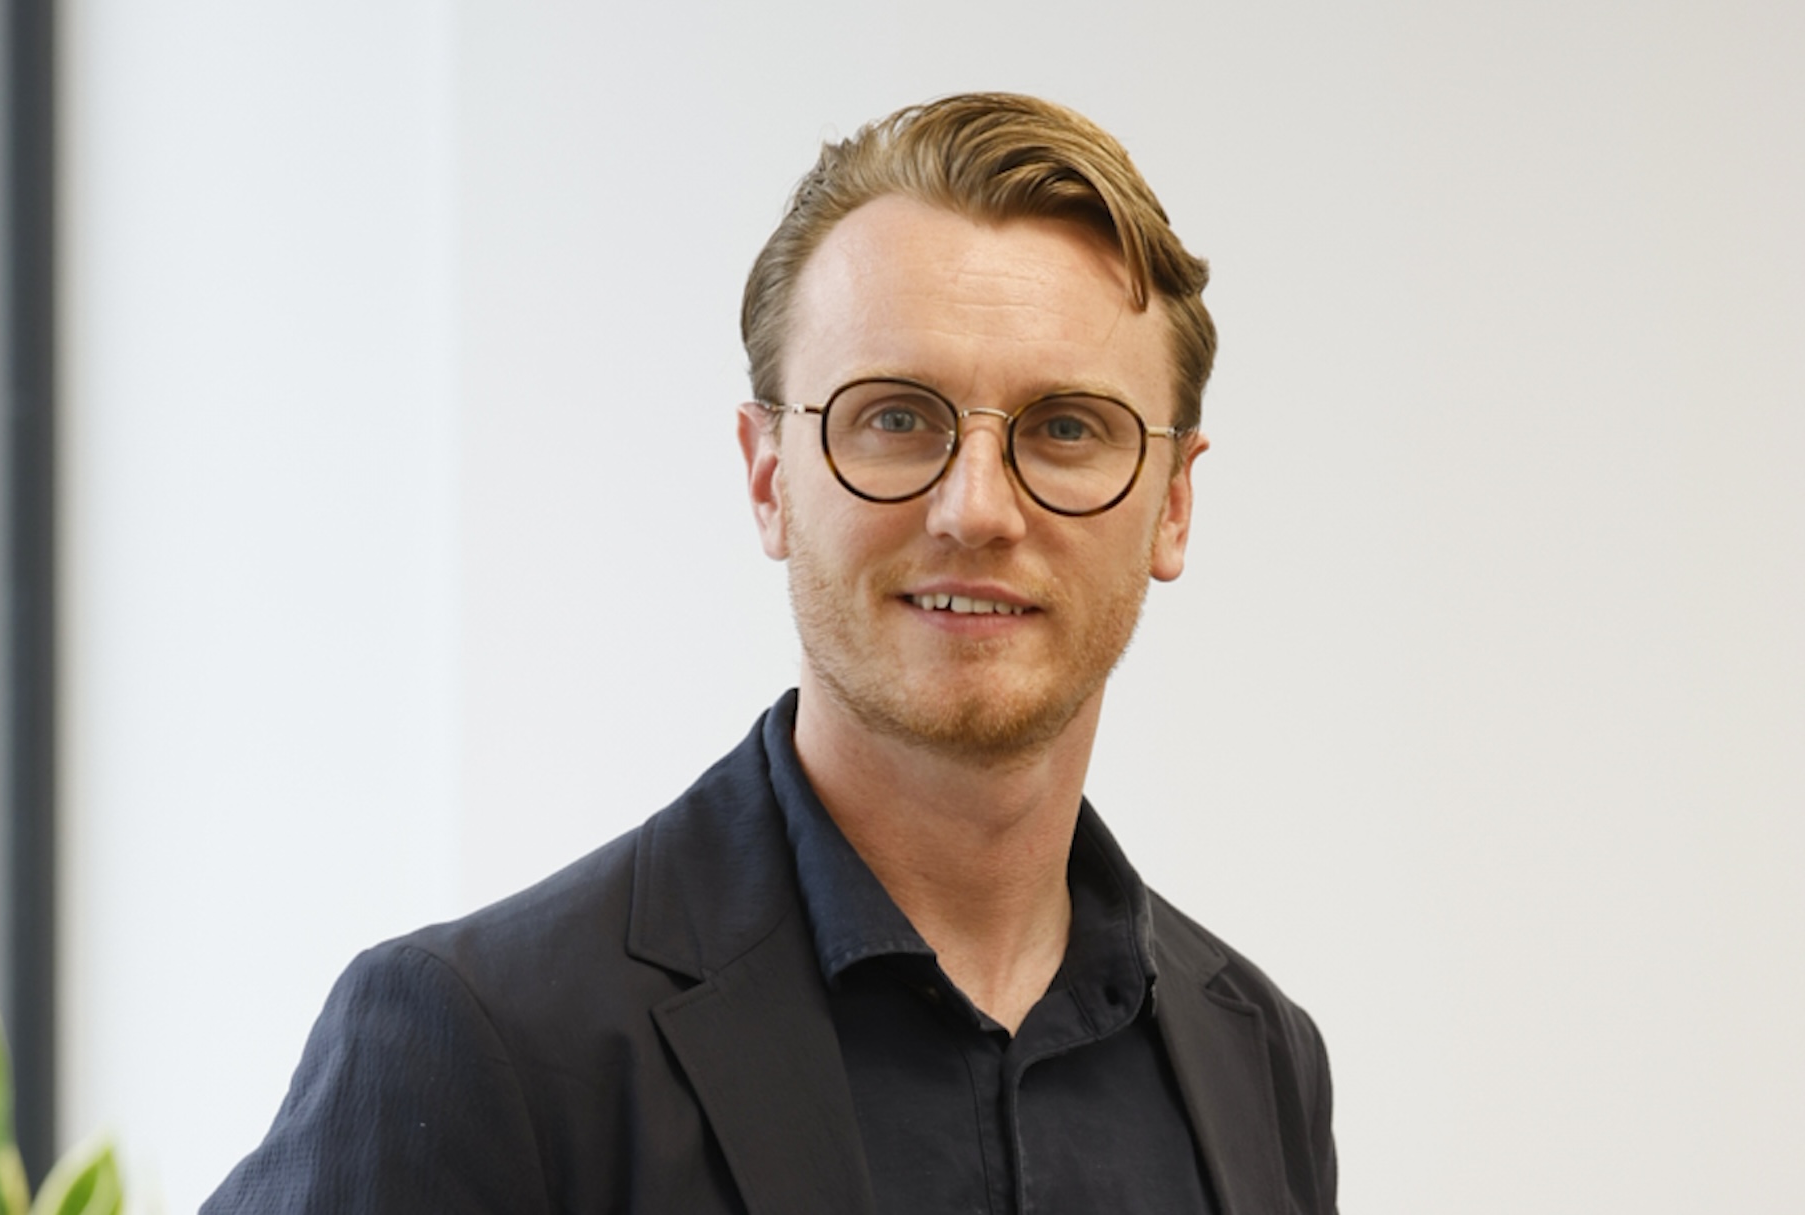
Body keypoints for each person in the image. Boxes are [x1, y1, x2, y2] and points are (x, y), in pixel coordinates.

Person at [204, 92, 1337, 1215]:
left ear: (1174, 504)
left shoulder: (1256, 1058)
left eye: (1064, 428)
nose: (977, 511)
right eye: (894, 418)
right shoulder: (479, 1042)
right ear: (767, 477)